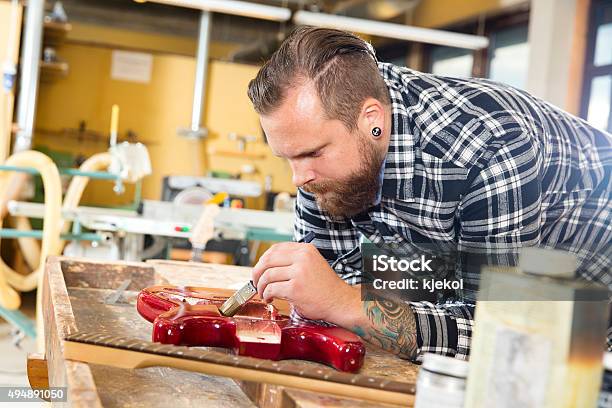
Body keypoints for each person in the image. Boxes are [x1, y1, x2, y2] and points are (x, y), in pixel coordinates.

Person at [246, 27, 612, 361]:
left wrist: (346, 302)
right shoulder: (330, 133)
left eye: (311, 153)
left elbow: (500, 333)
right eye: (287, 158)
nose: (298, 178)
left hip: (590, 253)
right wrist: (336, 296)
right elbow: (336, 284)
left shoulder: (487, 145)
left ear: (371, 119)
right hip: (466, 253)